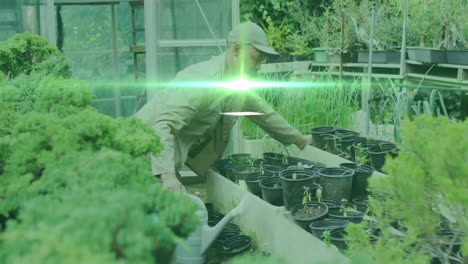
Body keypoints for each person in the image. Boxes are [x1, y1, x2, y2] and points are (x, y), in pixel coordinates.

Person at [135, 21, 313, 193]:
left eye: (262, 61)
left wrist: (299, 140)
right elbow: (162, 126)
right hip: (140, 155)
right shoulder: (203, 79)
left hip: (160, 161)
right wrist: (168, 177)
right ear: (236, 50)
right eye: (255, 58)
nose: (259, 66)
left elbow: (265, 113)